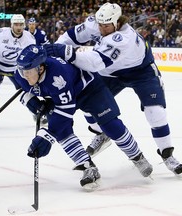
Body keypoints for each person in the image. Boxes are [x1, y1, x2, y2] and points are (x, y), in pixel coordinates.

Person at [44, 2, 182, 175]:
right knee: (88, 101)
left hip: (141, 71)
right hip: (109, 71)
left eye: (107, 26)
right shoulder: (95, 23)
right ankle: (102, 134)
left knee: (156, 112)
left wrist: (63, 52)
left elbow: (94, 63)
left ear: (117, 23)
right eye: (100, 25)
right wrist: (50, 54)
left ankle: (167, 154)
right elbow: (71, 36)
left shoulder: (123, 38)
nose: (102, 29)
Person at [15, 44, 153, 191]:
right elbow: (19, 84)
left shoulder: (57, 76)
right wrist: (29, 99)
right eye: (23, 72)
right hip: (60, 96)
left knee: (110, 125)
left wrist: (47, 136)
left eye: (28, 72)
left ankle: (138, 157)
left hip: (89, 89)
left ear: (40, 68)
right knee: (63, 132)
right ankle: (88, 167)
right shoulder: (22, 72)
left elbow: (65, 112)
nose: (25, 75)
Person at [0, 14, 35, 125]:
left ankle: (36, 112)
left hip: (15, 66)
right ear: (11, 25)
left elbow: (32, 55)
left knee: (26, 89)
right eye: (16, 24)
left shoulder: (29, 38)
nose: (19, 27)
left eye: (21, 25)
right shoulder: (1, 33)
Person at [25, 17, 50, 125]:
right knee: (27, 89)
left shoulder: (41, 34)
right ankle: (35, 112)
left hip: (40, 63)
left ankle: (48, 108)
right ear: (28, 24)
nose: (31, 26)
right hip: (28, 64)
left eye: (33, 24)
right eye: (30, 24)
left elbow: (47, 47)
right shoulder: (24, 34)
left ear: (35, 25)